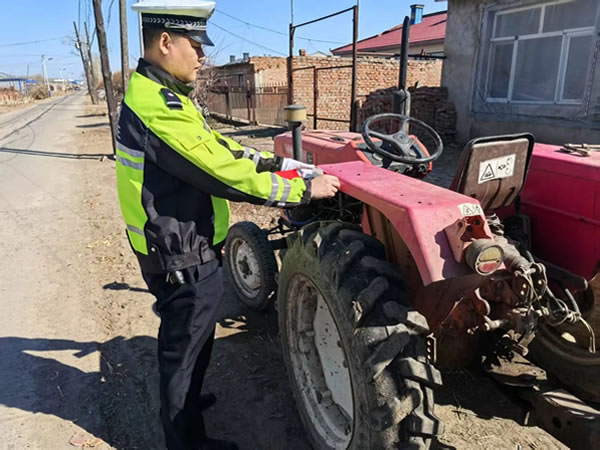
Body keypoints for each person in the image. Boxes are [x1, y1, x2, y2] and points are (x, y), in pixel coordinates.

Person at [115, 1, 340, 449]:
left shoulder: (163, 94)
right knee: (183, 350)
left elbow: (219, 148)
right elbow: (222, 172)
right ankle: (186, 439)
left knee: (194, 338)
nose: (203, 56)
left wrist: (283, 164)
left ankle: (186, 405)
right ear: (165, 42)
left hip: (180, 240)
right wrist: (301, 190)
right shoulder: (158, 106)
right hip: (178, 251)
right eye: (196, 45)